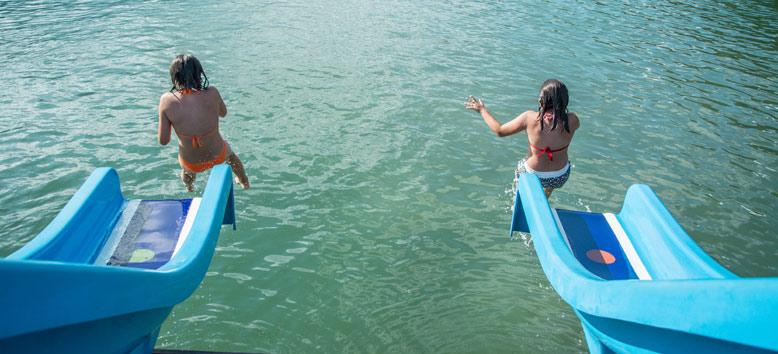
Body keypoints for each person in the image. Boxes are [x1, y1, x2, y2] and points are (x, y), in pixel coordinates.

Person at [465, 79, 579, 198]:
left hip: (532, 174)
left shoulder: (530, 118)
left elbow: (500, 131)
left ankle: (518, 203)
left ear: (541, 101)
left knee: (521, 186)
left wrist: (482, 110)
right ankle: (543, 200)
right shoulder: (573, 120)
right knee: (547, 189)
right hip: (559, 176)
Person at [158, 54, 250, 192]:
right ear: (200, 74)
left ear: (175, 78)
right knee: (231, 157)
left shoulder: (166, 100)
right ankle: (244, 181)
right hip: (217, 155)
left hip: (190, 162)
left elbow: (163, 141)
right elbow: (223, 113)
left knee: (187, 170)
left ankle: (189, 186)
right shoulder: (212, 92)